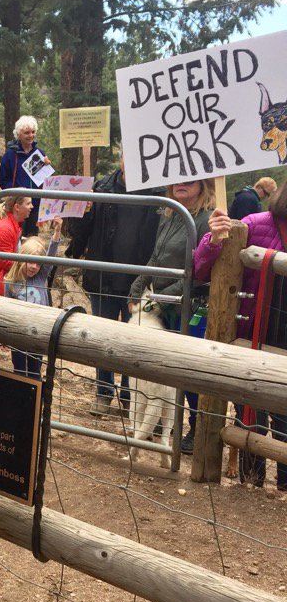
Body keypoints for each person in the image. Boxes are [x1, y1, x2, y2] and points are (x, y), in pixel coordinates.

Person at [194, 178, 287, 490]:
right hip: (255, 335)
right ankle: (252, 481)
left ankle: (285, 486)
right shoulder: (255, 225)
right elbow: (201, 268)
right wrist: (214, 237)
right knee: (250, 409)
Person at [67, 154, 162, 417]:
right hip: (102, 278)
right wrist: (83, 211)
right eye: (126, 155)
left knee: (134, 342)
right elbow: (78, 233)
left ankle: (130, 396)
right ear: (121, 158)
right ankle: (103, 392)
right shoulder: (100, 188)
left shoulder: (158, 193)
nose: (130, 161)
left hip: (140, 282)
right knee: (102, 339)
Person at [128, 178, 215, 454]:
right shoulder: (170, 211)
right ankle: (170, 422)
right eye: (176, 179)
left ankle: (198, 428)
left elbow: (199, 271)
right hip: (165, 303)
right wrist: (138, 286)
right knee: (165, 365)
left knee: (189, 367)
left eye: (189, 179)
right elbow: (156, 257)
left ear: (204, 184)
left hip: (191, 306)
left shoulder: (208, 219)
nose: (180, 183)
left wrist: (162, 297)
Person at [4, 216, 63, 379]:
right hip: (18, 333)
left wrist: (57, 231)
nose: (34, 267)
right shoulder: (10, 283)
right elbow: (6, 309)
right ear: (21, 259)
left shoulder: (41, 276)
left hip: (38, 331)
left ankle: (36, 392)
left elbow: (51, 255)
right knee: (19, 370)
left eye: (38, 263)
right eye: (30, 262)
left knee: (35, 369)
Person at [0, 115, 51, 236]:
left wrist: (47, 167)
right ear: (19, 134)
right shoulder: (10, 154)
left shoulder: (39, 153)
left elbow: (45, 180)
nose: (31, 135)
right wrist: (16, 192)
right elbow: (3, 179)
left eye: (33, 132)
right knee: (16, 236)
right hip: (17, 205)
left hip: (35, 205)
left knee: (32, 237)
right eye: (27, 133)